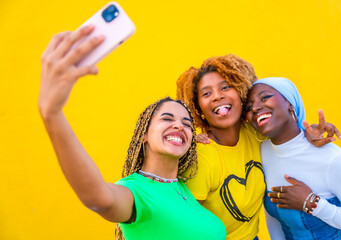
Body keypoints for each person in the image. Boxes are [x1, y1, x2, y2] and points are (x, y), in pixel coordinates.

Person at [38, 25, 226, 240]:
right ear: (144, 134)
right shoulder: (135, 192)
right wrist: (52, 114)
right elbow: (99, 199)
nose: (179, 126)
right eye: (167, 119)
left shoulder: (184, 188)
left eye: (187, 123)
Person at [176, 55, 341, 240]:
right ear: (199, 109)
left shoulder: (254, 134)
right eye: (206, 94)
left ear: (241, 94)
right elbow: (186, 227)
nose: (217, 96)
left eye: (225, 87)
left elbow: (285, 129)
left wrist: (306, 134)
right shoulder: (202, 156)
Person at [245, 77, 341, 239]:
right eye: (249, 107)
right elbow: (274, 218)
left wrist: (313, 204)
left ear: (290, 104)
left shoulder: (332, 158)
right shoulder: (262, 153)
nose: (255, 107)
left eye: (265, 97)